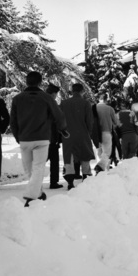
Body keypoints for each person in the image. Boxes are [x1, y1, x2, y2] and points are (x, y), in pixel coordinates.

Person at [10, 71, 67, 207]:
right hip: (42, 138)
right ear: (40, 82)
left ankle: (36, 194)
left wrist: (18, 136)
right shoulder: (46, 98)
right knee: (38, 167)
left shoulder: (17, 99)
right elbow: (58, 116)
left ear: (26, 81)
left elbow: (13, 121)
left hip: (24, 138)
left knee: (29, 169)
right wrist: (62, 128)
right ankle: (34, 194)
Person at [60, 83, 94, 190]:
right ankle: (86, 177)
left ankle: (70, 181)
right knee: (85, 155)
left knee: (69, 158)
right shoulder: (85, 103)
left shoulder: (64, 103)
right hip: (83, 133)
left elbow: (59, 119)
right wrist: (88, 132)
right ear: (82, 91)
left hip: (68, 135)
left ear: (72, 91)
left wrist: (62, 131)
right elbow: (90, 121)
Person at [95, 92, 119, 173]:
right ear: (106, 99)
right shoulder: (109, 109)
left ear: (99, 99)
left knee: (99, 151)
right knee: (107, 152)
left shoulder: (93, 108)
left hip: (95, 133)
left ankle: (103, 170)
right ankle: (100, 166)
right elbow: (116, 122)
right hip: (106, 132)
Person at [45, 83, 63, 189]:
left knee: (41, 161)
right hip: (52, 136)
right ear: (53, 94)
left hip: (42, 136)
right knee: (54, 161)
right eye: (56, 94)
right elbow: (56, 120)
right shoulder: (52, 103)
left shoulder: (41, 101)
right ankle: (53, 182)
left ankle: (35, 181)